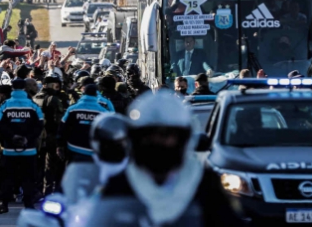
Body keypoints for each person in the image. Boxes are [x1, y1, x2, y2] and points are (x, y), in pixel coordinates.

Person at [97, 91, 245, 226]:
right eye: (148, 135)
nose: (157, 142)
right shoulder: (119, 184)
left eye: (166, 135)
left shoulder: (204, 182)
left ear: (183, 138)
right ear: (135, 139)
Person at [0, 78, 44, 214]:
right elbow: (40, 124)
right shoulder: (33, 105)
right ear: (24, 88)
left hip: (9, 150)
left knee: (7, 177)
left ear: (12, 88)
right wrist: (27, 138)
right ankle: (28, 205)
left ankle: (3, 204)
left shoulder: (5, 105)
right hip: (29, 150)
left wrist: (11, 137)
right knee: (28, 178)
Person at [57, 84, 110, 164]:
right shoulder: (104, 112)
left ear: (83, 93)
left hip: (73, 149)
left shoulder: (72, 109)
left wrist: (59, 145)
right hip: (94, 153)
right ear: (96, 95)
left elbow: (63, 127)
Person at [33, 75, 65, 196]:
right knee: (51, 166)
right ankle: (48, 192)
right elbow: (59, 120)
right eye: (55, 85)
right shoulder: (53, 99)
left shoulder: (35, 98)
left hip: (38, 137)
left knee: (39, 165)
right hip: (51, 135)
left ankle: (37, 190)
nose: (57, 87)